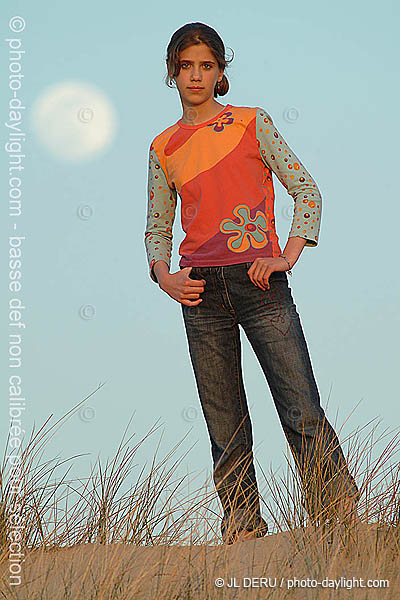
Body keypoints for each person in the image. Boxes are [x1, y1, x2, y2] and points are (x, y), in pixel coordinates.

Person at [144, 22, 361, 544]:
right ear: (172, 71)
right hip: (198, 293)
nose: (196, 75)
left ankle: (338, 519)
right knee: (224, 422)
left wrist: (288, 253)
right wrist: (164, 277)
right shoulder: (163, 147)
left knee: (300, 405)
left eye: (207, 65)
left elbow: (305, 188)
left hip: (260, 283)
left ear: (221, 73)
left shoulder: (250, 123)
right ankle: (243, 534)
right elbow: (157, 225)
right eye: (186, 65)